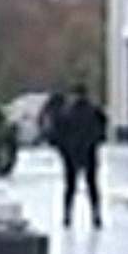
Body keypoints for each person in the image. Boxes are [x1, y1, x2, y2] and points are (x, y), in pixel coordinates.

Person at [47, 82, 109, 228]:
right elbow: (102, 131)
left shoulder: (66, 113)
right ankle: (96, 215)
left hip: (71, 154)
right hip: (89, 153)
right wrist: (95, 143)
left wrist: (63, 150)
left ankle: (67, 216)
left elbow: (56, 134)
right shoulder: (94, 111)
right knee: (92, 185)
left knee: (70, 186)